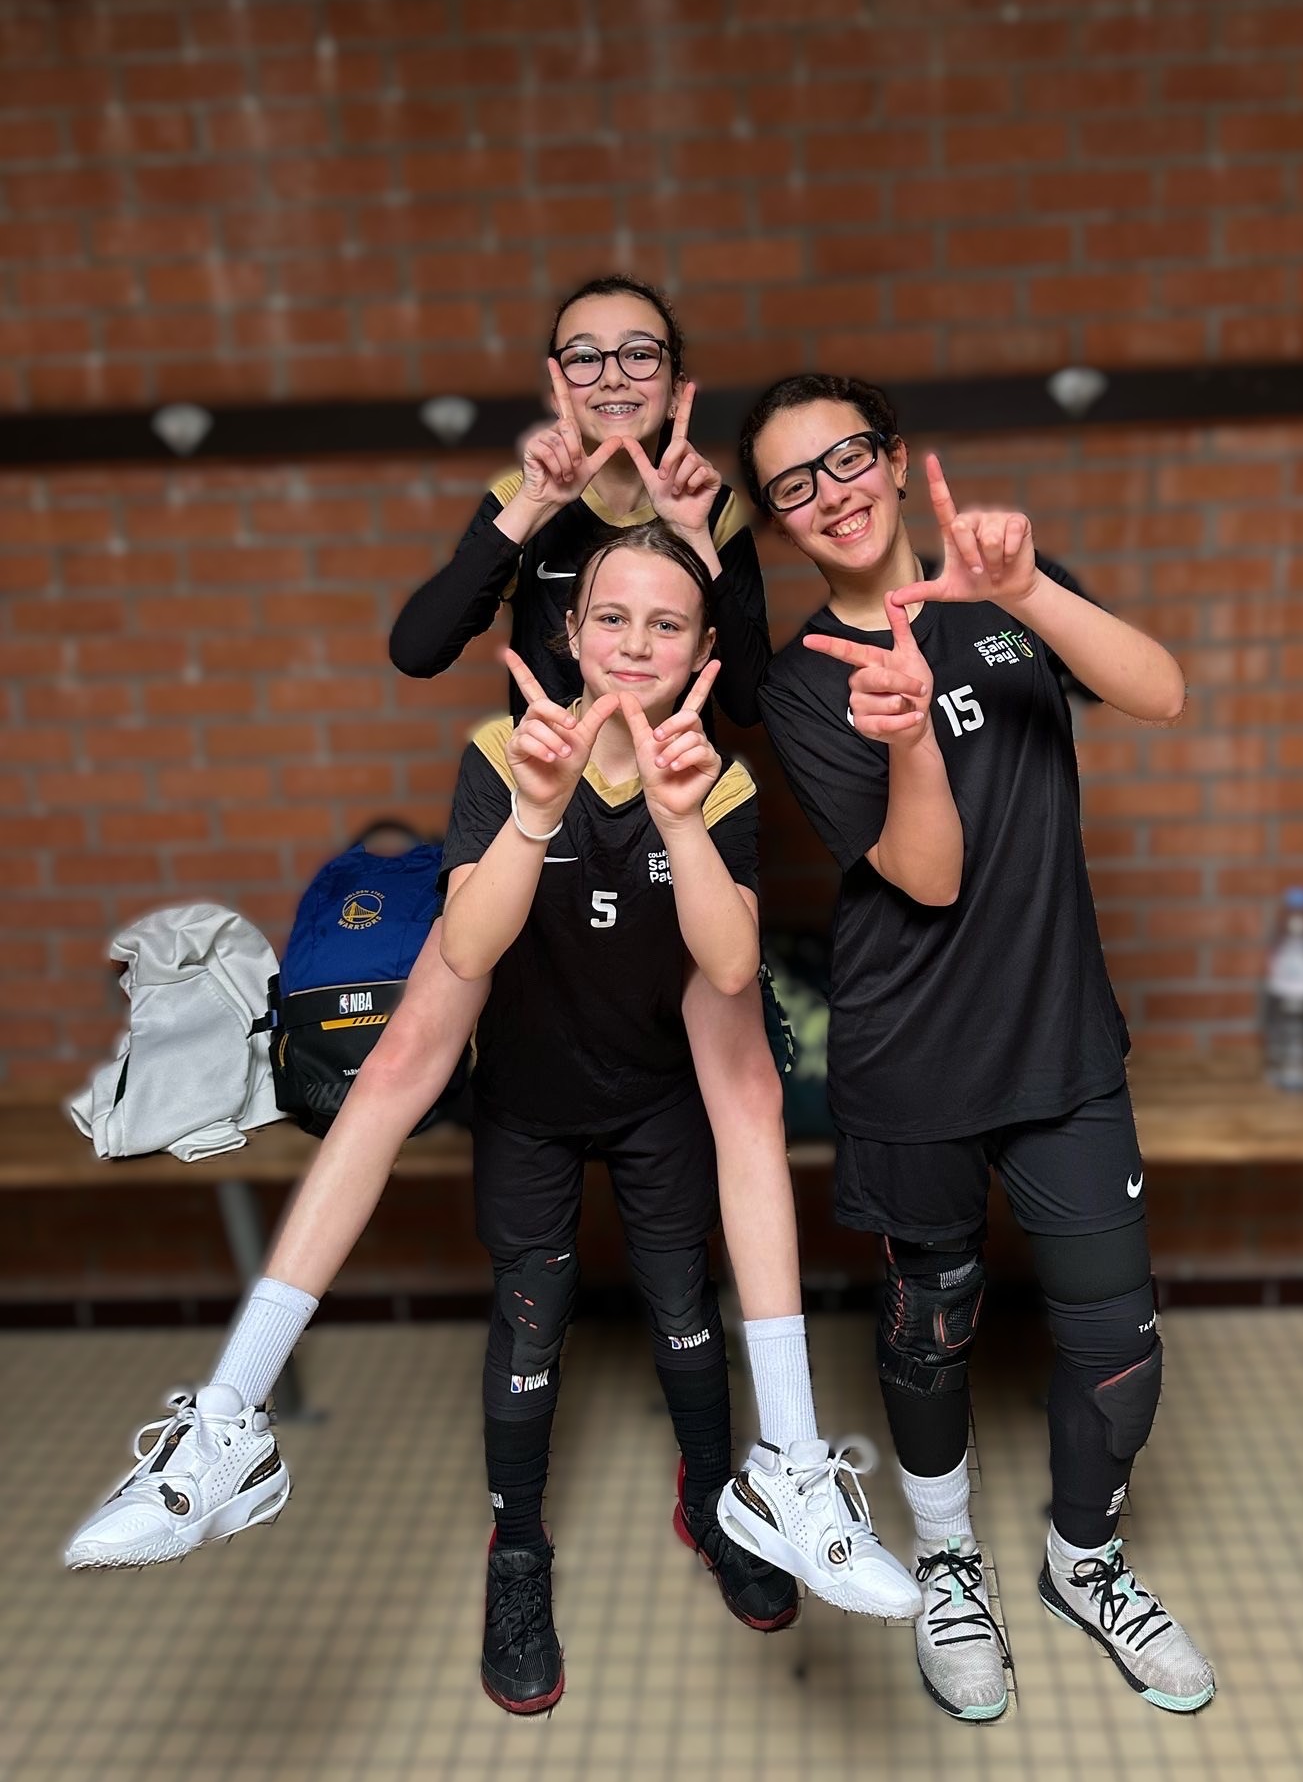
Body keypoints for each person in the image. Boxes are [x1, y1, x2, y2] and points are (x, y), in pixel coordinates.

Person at [65, 284, 917, 1630]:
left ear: (676, 378)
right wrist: (523, 531)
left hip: (667, 836)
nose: (616, 373)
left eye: (641, 352)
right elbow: (420, 648)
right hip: (536, 808)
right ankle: (236, 1423)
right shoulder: (531, 520)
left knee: (742, 1095)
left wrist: (709, 554)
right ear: (556, 376)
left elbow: (747, 703)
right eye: (589, 353)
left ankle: (779, 1471)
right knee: (409, 1054)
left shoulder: (711, 552)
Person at [718, 372, 1216, 1722]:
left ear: (895, 458)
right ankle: (948, 1562)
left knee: (1118, 1340)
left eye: (847, 457)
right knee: (928, 1333)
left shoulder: (1004, 590)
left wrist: (1027, 591)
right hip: (914, 1058)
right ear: (777, 520)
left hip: (1061, 1042)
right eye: (794, 484)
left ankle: (1082, 1559)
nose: (831, 493)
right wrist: (908, 729)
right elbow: (926, 876)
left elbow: (1163, 691)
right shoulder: (803, 682)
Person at [437, 523, 804, 1708]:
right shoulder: (502, 752)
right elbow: (466, 946)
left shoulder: (718, 776)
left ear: (700, 648)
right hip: (528, 1099)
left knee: (685, 1306)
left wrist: (680, 817)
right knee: (530, 1324)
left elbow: (732, 964)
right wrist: (534, 808)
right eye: (612, 616)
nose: (636, 642)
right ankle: (518, 1550)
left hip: (658, 1097)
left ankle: (715, 1499)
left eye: (666, 622)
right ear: (570, 629)